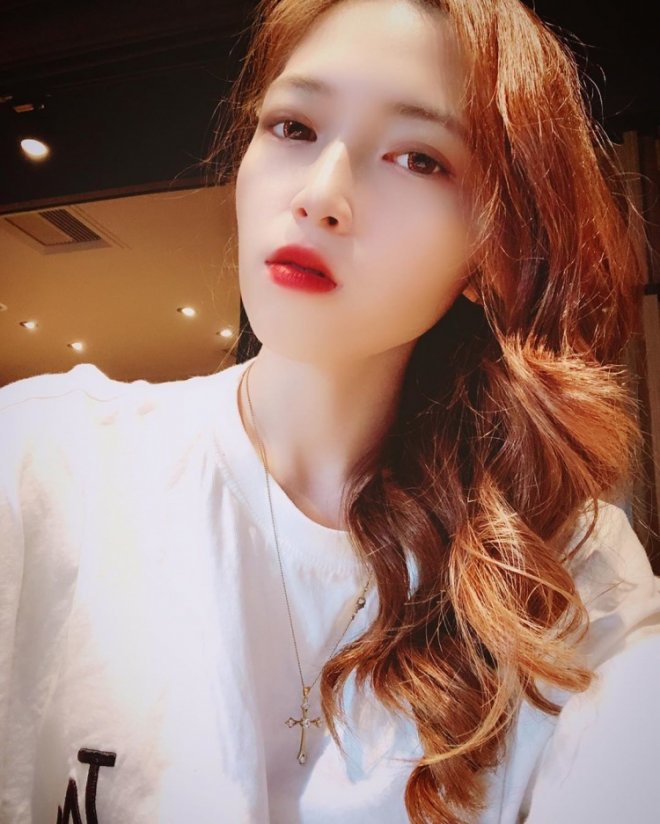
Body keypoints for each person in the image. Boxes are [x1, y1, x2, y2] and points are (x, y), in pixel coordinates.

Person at [1, 0, 658, 821]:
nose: (320, 195)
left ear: (492, 248)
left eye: (418, 158)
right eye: (294, 128)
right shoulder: (44, 464)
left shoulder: (565, 567)